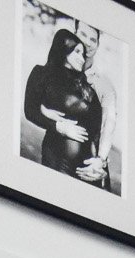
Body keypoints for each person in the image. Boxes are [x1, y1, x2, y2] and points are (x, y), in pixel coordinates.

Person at [24, 29, 103, 181]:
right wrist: (59, 127)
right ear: (65, 49)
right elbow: (30, 110)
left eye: (83, 54)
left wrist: (99, 162)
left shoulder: (86, 88)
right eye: (77, 52)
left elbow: (96, 130)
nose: (82, 58)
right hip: (58, 162)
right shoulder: (41, 74)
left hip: (88, 169)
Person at [75, 22, 118, 190]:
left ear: (98, 45)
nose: (87, 42)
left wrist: (100, 160)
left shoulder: (104, 84)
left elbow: (109, 122)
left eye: (93, 39)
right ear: (74, 32)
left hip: (92, 160)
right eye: (83, 35)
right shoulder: (59, 70)